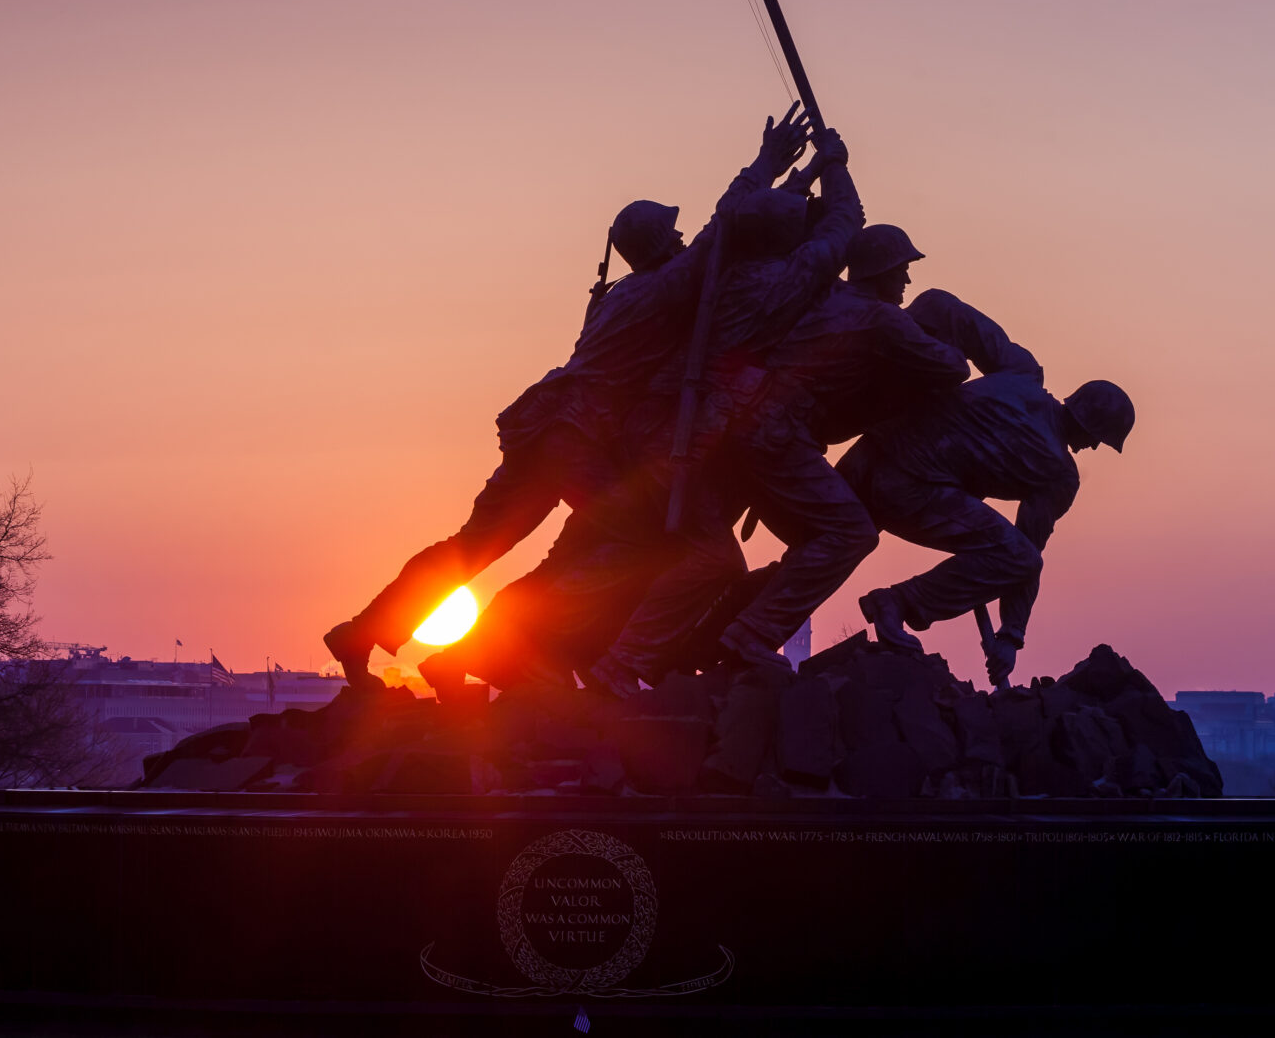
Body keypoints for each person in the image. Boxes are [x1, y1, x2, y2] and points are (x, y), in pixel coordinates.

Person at [319, 107, 812, 687]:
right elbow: (721, 235)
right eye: (672, 233)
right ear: (658, 243)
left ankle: (366, 631)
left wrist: (795, 190)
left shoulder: (618, 295)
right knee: (626, 542)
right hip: (578, 433)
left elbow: (721, 240)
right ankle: (512, 647)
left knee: (473, 546)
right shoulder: (659, 289)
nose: (683, 238)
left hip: (548, 427)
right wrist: (767, 164)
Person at [584, 133, 875, 691]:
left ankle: (677, 652)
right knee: (812, 538)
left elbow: (732, 219)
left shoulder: (715, 269)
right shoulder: (782, 280)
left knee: (720, 561)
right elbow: (845, 223)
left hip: (701, 434)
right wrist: (834, 166)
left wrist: (794, 171)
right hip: (701, 437)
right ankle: (627, 662)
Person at [843, 289, 1133, 687]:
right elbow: (1025, 558)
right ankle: (898, 603)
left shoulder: (1020, 371)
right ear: (1094, 430)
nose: (1095, 447)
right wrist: (1010, 637)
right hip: (907, 491)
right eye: (1100, 439)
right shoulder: (1058, 475)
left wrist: (909, 330)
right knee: (1019, 557)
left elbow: (944, 306)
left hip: (871, 455)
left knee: (823, 546)